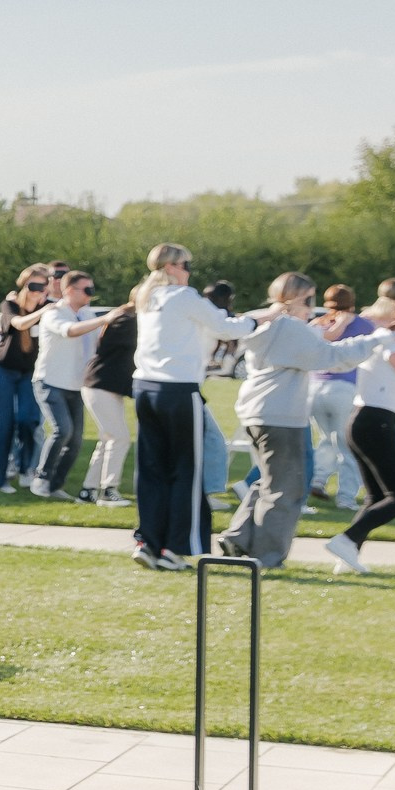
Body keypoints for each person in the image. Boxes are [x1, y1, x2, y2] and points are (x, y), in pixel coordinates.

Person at [220, 273, 394, 568]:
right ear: (299, 298)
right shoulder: (289, 327)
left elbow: (300, 347)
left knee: (268, 481)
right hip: (281, 415)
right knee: (287, 489)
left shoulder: (266, 322)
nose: (314, 308)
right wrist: (373, 340)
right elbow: (328, 357)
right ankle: (268, 555)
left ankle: (238, 536)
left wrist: (313, 331)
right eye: (310, 299)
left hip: (257, 411)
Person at [127, 243, 256, 571]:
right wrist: (256, 322)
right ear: (171, 267)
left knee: (152, 469)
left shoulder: (146, 297)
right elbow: (225, 326)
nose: (188, 271)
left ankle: (149, 541)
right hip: (178, 389)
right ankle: (175, 548)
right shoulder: (183, 296)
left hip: (145, 387)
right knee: (187, 469)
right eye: (185, 264)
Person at [311, 290, 395, 574]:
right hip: (373, 422)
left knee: (376, 498)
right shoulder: (391, 344)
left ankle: (347, 555)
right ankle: (346, 539)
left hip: (370, 422)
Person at [25, 272, 123, 498]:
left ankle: (55, 485)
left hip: (76, 385)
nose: (90, 294)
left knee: (76, 440)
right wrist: (104, 319)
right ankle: (41, 477)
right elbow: (70, 331)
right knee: (63, 431)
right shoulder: (54, 313)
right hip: (50, 382)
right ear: (69, 290)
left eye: (92, 289)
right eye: (86, 289)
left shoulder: (87, 314)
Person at [307, 285, 368, 511]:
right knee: (347, 446)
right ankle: (346, 497)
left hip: (316, 385)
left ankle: (318, 479)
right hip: (345, 386)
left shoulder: (319, 323)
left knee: (326, 438)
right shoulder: (362, 324)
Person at [0, 268, 48, 492]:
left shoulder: (47, 307)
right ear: (24, 285)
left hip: (29, 373)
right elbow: (19, 324)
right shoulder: (10, 305)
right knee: (4, 425)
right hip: (3, 370)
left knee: (28, 421)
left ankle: (25, 469)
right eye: (33, 286)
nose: (37, 291)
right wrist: (44, 311)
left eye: (42, 286)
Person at [80, 304, 136, 507]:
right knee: (119, 437)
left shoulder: (126, 321)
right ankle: (108, 490)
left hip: (103, 386)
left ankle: (88, 490)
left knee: (108, 439)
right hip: (100, 386)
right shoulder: (127, 323)